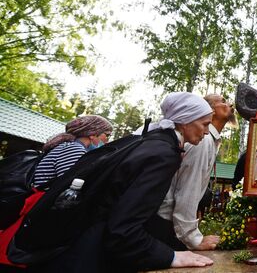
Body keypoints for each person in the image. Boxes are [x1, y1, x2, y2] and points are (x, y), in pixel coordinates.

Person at [35, 92, 215, 272]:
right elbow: (123, 230)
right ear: (185, 121)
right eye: (205, 124)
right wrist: (172, 256)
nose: (207, 131)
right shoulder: (164, 154)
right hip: (90, 253)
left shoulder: (150, 140)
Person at [157, 94, 236, 251]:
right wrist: (193, 239)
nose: (229, 104)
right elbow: (188, 190)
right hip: (163, 226)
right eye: (222, 101)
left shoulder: (208, 140)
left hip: (168, 224)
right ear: (210, 110)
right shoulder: (202, 141)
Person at [33, 115, 113, 186]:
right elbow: (69, 184)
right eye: (107, 135)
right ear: (93, 134)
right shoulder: (74, 149)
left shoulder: (69, 146)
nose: (107, 141)